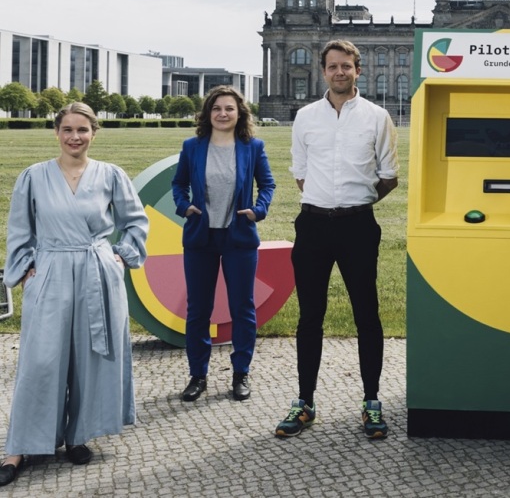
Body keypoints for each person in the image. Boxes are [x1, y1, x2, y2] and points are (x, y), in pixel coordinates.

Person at [0, 103, 148, 487]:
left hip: (98, 272)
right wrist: (24, 267)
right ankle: (21, 445)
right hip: (49, 272)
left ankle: (79, 436)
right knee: (41, 360)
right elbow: (19, 230)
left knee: (91, 356)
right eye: (67, 129)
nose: (74, 137)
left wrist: (120, 255)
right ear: (56, 132)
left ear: (94, 133)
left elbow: (135, 222)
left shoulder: (111, 175)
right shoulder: (33, 177)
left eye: (82, 130)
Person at [275, 39, 398, 440]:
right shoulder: (305, 117)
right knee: (310, 316)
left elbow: (389, 175)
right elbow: (300, 171)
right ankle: (305, 401)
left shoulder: (378, 117)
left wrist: (355, 200)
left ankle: (372, 401)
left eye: (346, 66)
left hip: (357, 226)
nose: (339, 72)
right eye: (332, 66)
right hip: (312, 226)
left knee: (367, 314)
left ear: (357, 70)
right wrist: (326, 200)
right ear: (323, 70)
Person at [172, 86, 275, 402]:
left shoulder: (252, 147)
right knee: (198, 310)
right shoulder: (192, 147)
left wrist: (257, 211)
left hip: (238, 237)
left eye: (229, 108)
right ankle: (197, 376)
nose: (222, 114)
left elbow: (267, 184)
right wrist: (184, 206)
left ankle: (241, 373)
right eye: (216, 108)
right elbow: (178, 184)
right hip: (201, 238)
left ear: (239, 113)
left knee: (242, 308)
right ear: (208, 113)